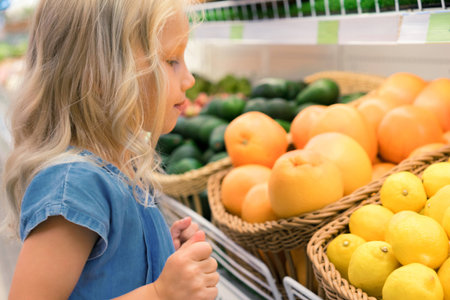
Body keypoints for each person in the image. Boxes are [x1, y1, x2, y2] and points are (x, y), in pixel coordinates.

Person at [1, 0, 219, 299]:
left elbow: (105, 273)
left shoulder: (121, 162)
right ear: (102, 75)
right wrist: (160, 292)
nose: (190, 79)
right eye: (171, 60)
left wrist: (163, 259)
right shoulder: (73, 184)